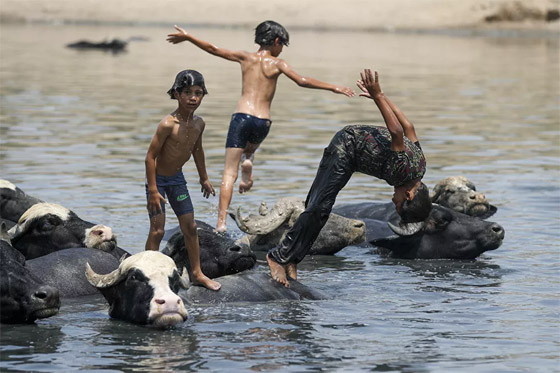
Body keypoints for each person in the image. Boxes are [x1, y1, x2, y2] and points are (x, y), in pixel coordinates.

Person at [166, 20, 355, 232]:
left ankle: (221, 223)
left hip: (241, 117)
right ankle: (249, 160)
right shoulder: (278, 64)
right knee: (249, 150)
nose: (281, 49)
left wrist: (189, 37)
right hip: (263, 121)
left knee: (229, 172)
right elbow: (302, 80)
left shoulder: (245, 57)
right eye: (282, 44)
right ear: (276, 41)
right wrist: (334, 87)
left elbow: (214, 49)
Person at [267, 69, 432, 287]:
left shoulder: (420, 167)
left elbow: (409, 127)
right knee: (318, 208)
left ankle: (292, 260)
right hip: (345, 148)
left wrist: (380, 96)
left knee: (319, 209)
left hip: (351, 156)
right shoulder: (402, 172)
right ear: (410, 195)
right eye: (399, 203)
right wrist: (379, 96)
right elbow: (398, 133)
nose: (394, 200)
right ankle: (277, 257)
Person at [144, 69, 221, 291]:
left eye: (198, 93)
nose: (193, 98)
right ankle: (148, 272)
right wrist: (153, 190)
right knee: (157, 230)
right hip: (157, 181)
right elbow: (150, 157)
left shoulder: (199, 124)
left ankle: (197, 273)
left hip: (177, 180)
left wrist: (204, 178)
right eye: (187, 92)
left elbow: (197, 150)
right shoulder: (168, 124)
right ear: (177, 94)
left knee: (191, 227)